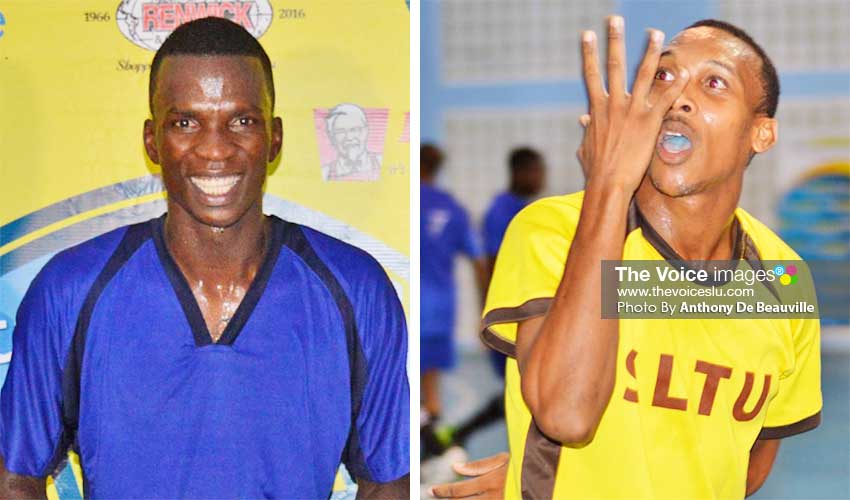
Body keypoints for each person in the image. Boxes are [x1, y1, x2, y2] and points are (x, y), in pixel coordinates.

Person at [0, 17, 409, 499]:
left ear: (274, 138)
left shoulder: (356, 288)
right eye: (185, 123)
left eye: (242, 121)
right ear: (152, 141)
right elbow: (14, 478)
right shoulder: (70, 289)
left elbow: (389, 481)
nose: (215, 149)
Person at [432, 16, 821, 500]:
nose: (677, 97)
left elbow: (750, 460)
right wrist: (609, 187)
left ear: (761, 133)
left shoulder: (783, 278)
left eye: (714, 83)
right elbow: (567, 416)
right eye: (663, 76)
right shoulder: (553, 230)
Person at [437, 147, 546, 450]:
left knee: (524, 387)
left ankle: (457, 434)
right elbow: (494, 263)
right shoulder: (504, 212)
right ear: (519, 172)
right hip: (516, 317)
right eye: (537, 171)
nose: (541, 178)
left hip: (528, 314)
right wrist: (490, 313)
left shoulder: (524, 209)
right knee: (525, 386)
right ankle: (455, 436)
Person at [420, 144, 487, 469]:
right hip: (440, 310)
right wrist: (486, 308)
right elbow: (478, 261)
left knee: (402, 384)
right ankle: (431, 453)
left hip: (407, 306)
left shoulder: (404, 201)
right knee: (430, 385)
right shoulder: (452, 208)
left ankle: (425, 452)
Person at [322, 103, 382, 181]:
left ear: (366, 131)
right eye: (340, 131)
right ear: (331, 137)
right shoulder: (324, 173)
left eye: (355, 130)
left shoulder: (382, 162)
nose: (349, 137)